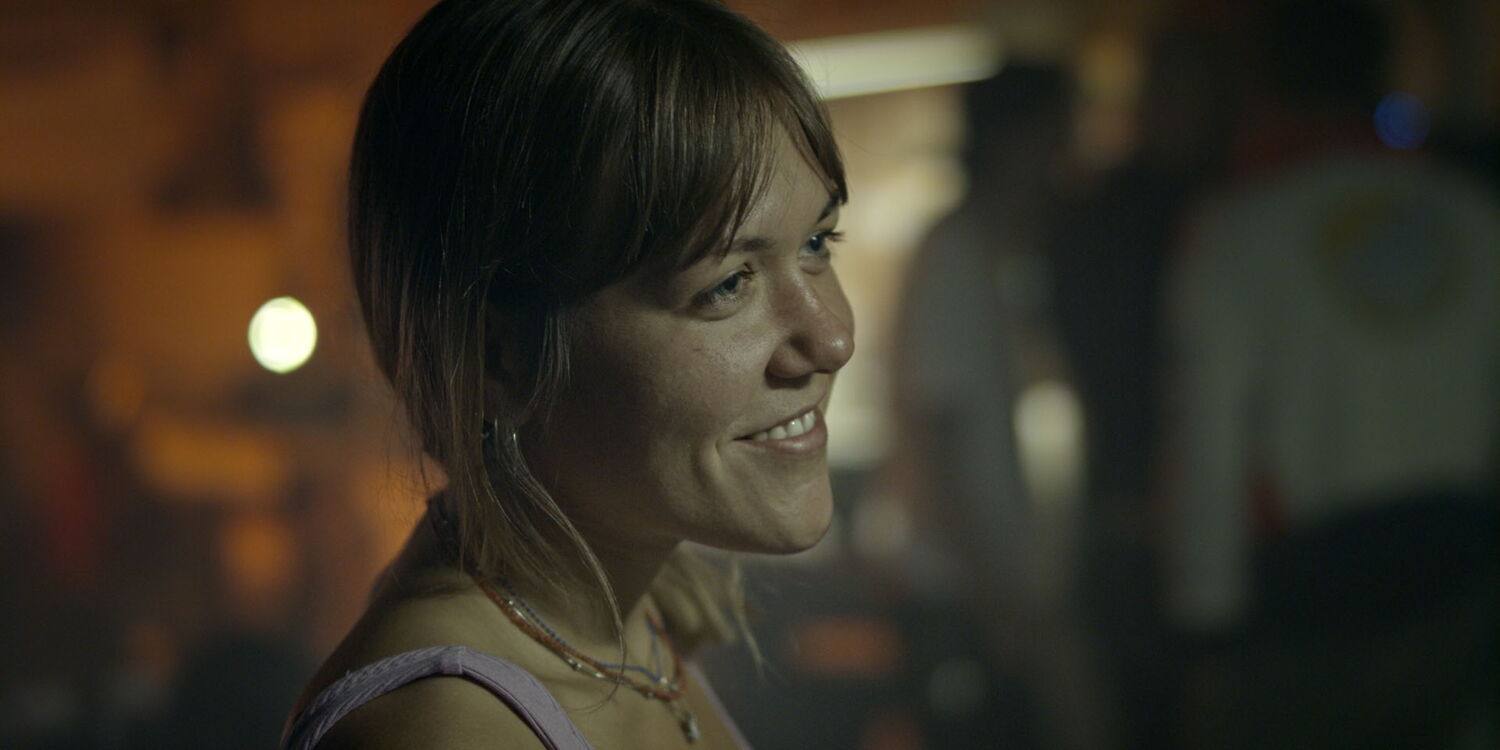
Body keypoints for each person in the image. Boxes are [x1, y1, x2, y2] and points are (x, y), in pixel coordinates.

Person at [279, 1, 853, 748]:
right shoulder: (447, 733)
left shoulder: (629, 620)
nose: (832, 337)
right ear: (500, 359)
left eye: (817, 242)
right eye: (726, 286)